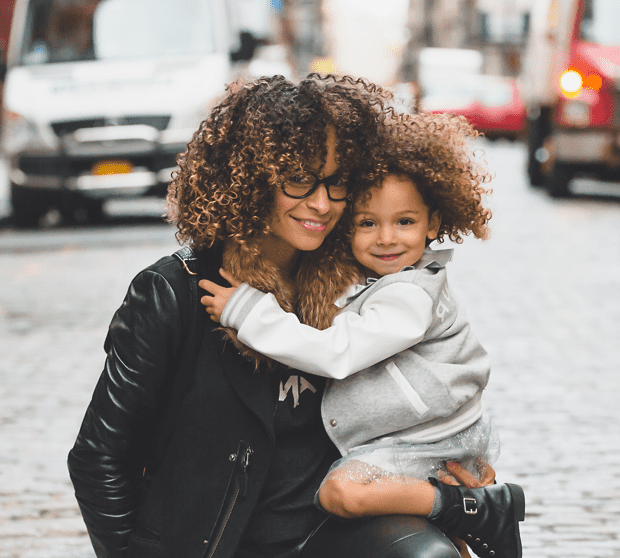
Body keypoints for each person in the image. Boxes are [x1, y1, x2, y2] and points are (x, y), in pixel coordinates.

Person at [68, 74, 494, 558]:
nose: (321, 203)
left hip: (332, 532)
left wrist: (453, 481)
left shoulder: (364, 280)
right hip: (217, 544)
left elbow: (432, 385)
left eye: (336, 183)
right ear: (251, 178)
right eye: (298, 179)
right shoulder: (172, 294)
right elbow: (99, 459)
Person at [200, 111, 525, 558]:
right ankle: (459, 513)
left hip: (427, 438)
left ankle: (473, 508)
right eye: (367, 223)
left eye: (405, 222)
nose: (386, 239)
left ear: (433, 224)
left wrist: (248, 312)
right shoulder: (379, 280)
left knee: (342, 493)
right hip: (418, 434)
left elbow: (338, 351)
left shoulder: (411, 294)